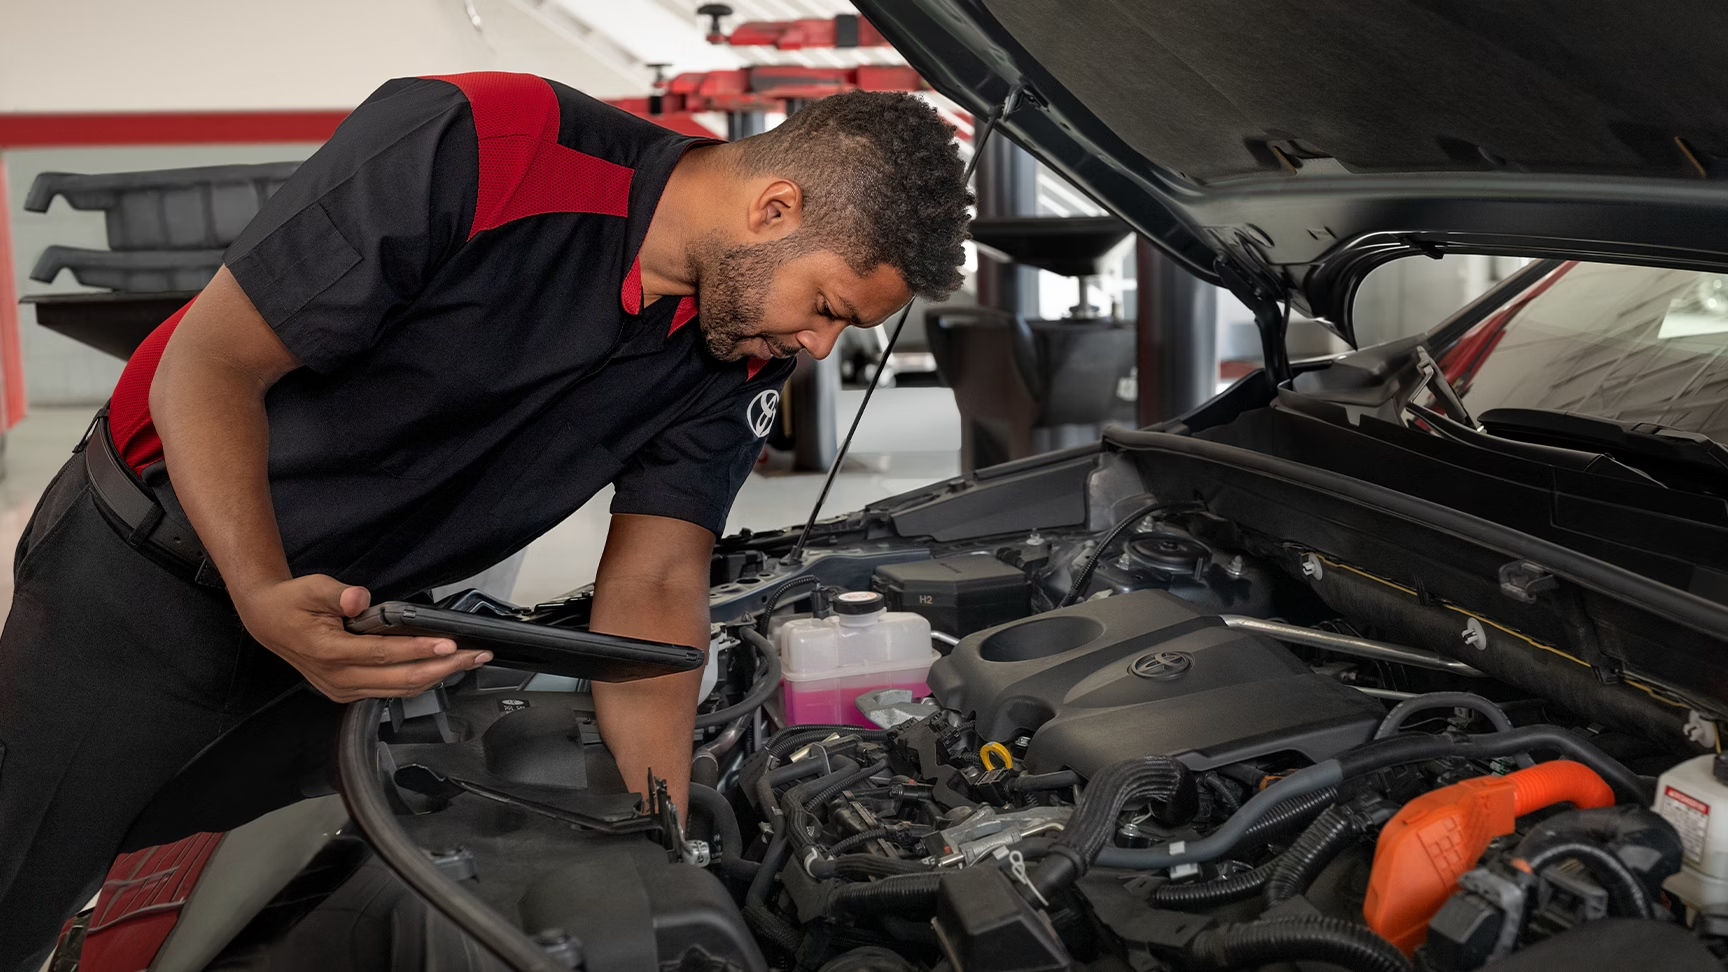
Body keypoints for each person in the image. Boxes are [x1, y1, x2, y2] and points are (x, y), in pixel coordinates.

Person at [0, 71, 972, 970]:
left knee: (245, 916)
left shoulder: (740, 351)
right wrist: (259, 589)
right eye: (827, 306)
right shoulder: (485, 146)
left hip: (350, 640)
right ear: (774, 208)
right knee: (22, 882)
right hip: (149, 583)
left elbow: (660, 580)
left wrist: (660, 841)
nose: (816, 342)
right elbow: (210, 364)